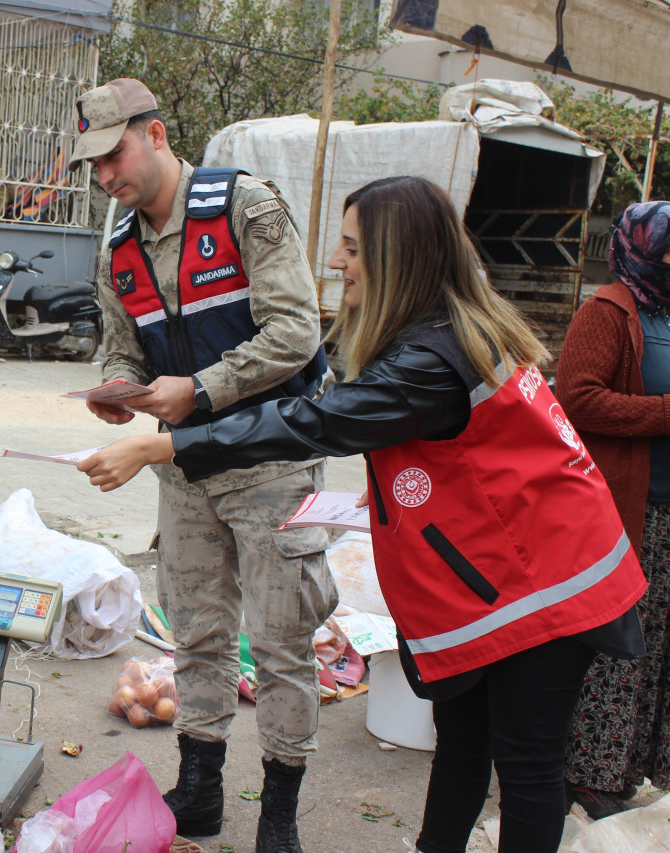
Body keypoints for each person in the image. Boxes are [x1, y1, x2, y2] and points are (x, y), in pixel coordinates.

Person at [78, 176, 648, 853]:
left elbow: (312, 421)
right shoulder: (435, 335)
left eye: (351, 247)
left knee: (525, 766)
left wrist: (165, 443)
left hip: (545, 587)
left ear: (395, 254)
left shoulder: (433, 358)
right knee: (463, 745)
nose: (338, 263)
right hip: (506, 576)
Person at [69, 77, 336, 849]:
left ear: (154, 134)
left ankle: (279, 813)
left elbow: (296, 334)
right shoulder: (118, 246)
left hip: (269, 462)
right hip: (183, 476)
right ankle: (200, 789)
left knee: (282, 642)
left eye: (113, 155)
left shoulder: (245, 207)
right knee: (197, 636)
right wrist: (118, 388)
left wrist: (202, 389)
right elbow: (123, 343)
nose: (106, 177)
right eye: (93, 165)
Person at [557, 201, 670, 819]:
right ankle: (592, 772)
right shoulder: (608, 312)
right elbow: (578, 400)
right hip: (633, 509)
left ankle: (640, 765)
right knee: (624, 643)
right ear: (643, 249)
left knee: (663, 644)